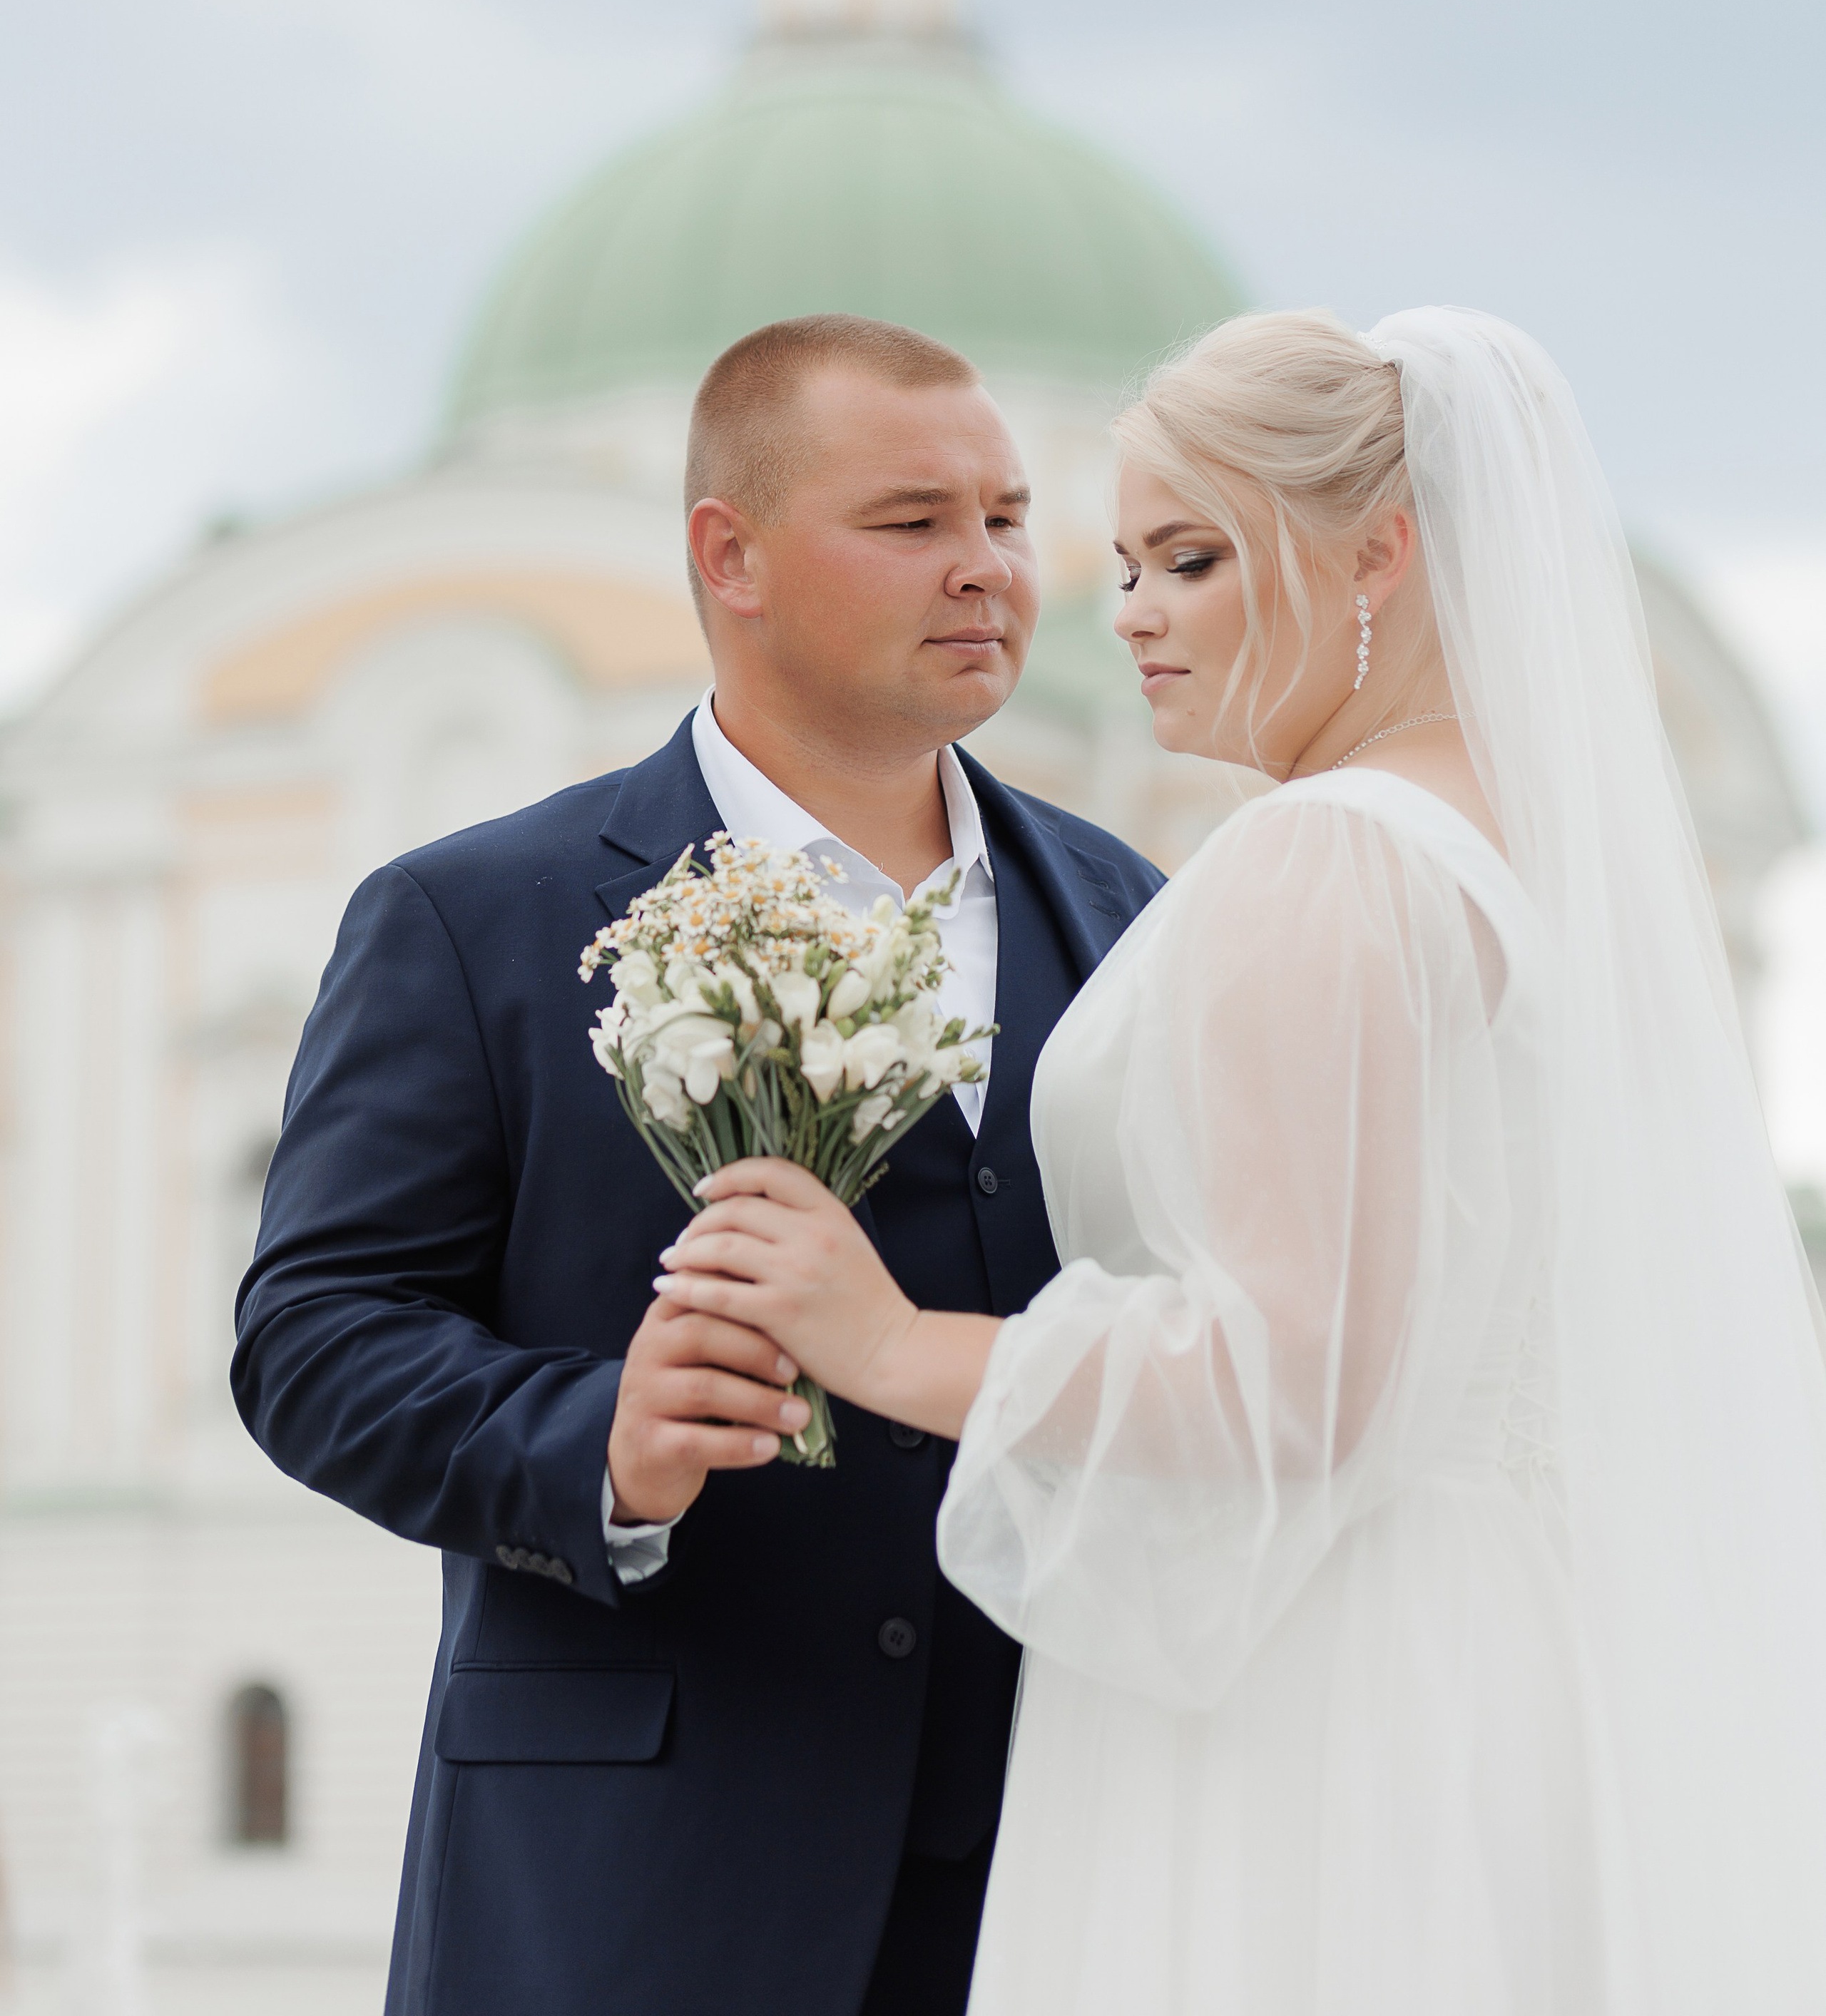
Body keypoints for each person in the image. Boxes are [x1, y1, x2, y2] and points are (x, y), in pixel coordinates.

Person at [656, 307, 1826, 2015]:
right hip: (1516, 1661)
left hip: (1324, 1686)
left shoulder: (1331, 858)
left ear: (1379, 554)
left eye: (1189, 560)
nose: (1125, 615)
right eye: (1121, 564)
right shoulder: (1529, 860)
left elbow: (1294, 1382)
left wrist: (885, 1343)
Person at [231, 313, 1163, 2016]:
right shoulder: (474, 919)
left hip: (1063, 1864)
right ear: (724, 554)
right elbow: (312, 1341)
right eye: (913, 524)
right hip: (631, 1888)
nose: (988, 572)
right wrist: (600, 1442)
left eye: (1010, 518)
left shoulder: (1132, 920)